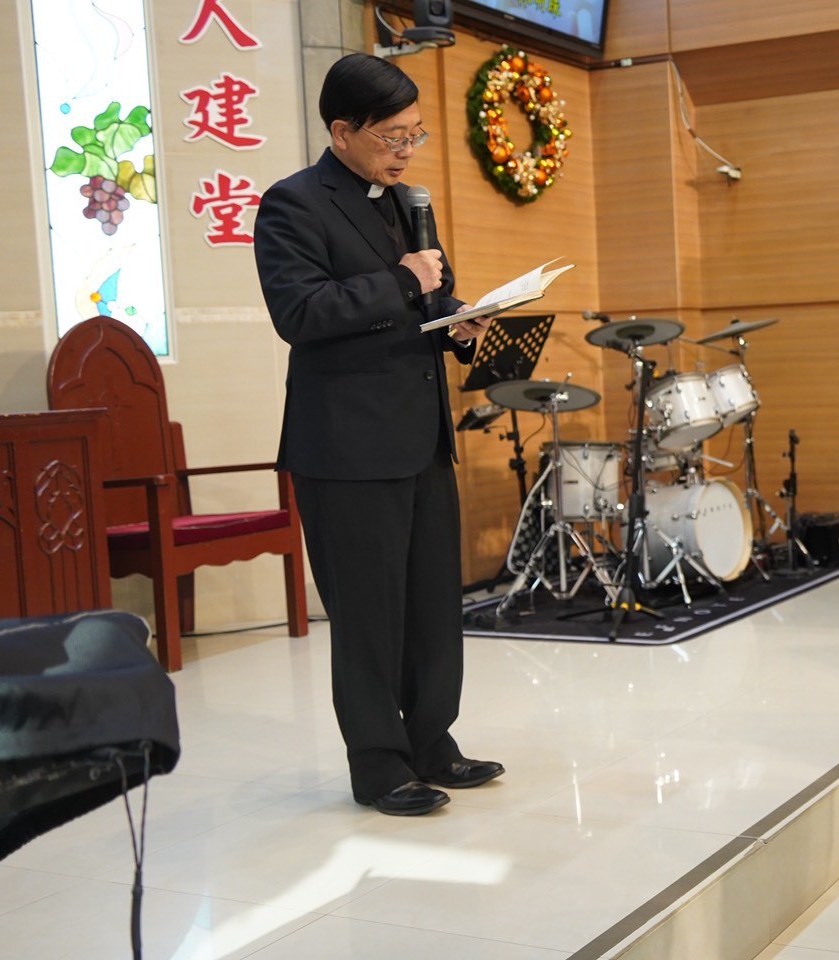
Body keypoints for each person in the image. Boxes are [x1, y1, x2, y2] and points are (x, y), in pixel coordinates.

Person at [253, 53, 501, 816]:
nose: (406, 151)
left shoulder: (407, 204)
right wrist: (403, 280)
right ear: (343, 130)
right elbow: (301, 314)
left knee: (432, 606)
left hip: (420, 437)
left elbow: (426, 301)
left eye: (415, 134)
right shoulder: (293, 204)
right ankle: (379, 766)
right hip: (346, 447)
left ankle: (432, 743)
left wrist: (459, 323)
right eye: (393, 136)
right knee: (368, 617)